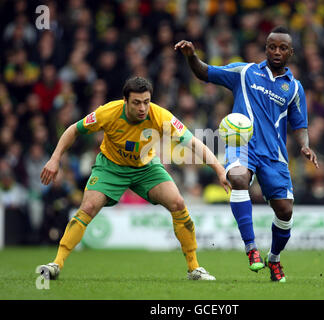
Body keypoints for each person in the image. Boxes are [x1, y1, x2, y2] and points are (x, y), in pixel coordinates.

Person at [38, 76, 231, 281]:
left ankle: (194, 268)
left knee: (178, 203)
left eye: (146, 102)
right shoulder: (108, 112)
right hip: (110, 167)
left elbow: (193, 143)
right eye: (137, 103)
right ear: (125, 101)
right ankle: (56, 264)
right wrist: (55, 158)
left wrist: (219, 170)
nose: (142, 108)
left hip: (146, 167)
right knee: (88, 208)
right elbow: (73, 130)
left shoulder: (160, 115)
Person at [175, 26, 319, 282]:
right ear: (265, 48)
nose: (276, 51)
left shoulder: (294, 89)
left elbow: (300, 124)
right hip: (242, 145)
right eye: (272, 46)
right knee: (239, 179)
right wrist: (191, 56)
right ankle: (250, 248)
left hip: (274, 154)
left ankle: (273, 259)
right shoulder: (245, 72)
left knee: (285, 211)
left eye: (282, 48)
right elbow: (205, 72)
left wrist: (305, 145)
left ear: (291, 52)